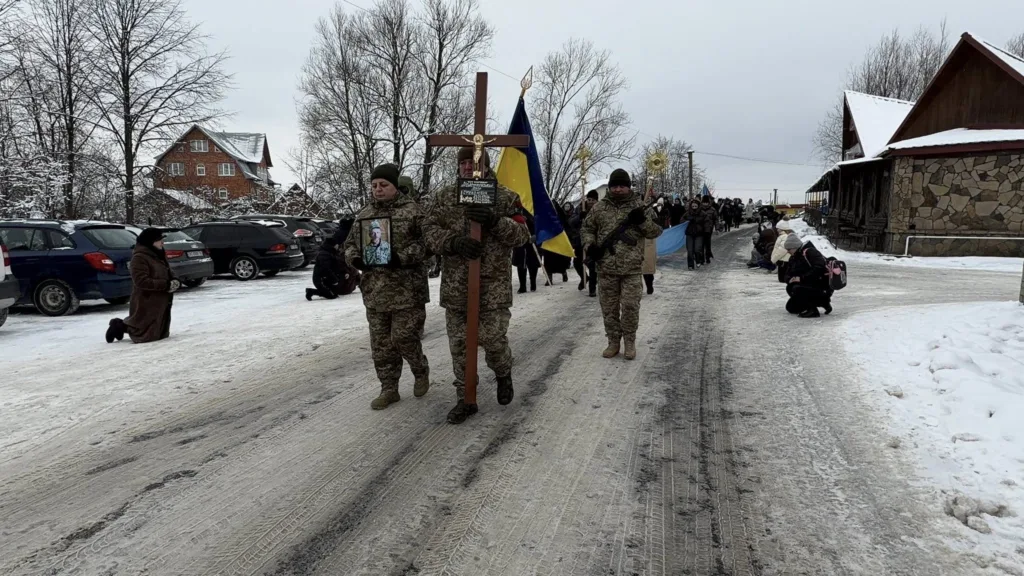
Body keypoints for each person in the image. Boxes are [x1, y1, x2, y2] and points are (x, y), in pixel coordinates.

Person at [423, 147, 529, 424]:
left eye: (476, 162)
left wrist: (495, 221)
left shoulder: (505, 196)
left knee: (493, 341)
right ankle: (466, 398)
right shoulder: (445, 197)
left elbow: (522, 235)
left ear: (486, 165)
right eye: (465, 163)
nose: (470, 167)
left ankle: (503, 372)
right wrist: (453, 242)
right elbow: (428, 231)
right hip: (457, 287)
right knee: (460, 346)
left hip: (492, 288)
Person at [344, 163, 431, 410]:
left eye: (384, 185)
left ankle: (420, 369)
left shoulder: (414, 211)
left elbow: (429, 245)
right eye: (374, 185)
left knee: (404, 337)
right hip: (375, 291)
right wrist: (355, 259)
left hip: (407, 290)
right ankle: (389, 388)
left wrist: (402, 257)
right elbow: (349, 244)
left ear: (395, 186)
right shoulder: (365, 214)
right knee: (381, 345)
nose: (378, 190)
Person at [581, 169, 663, 360]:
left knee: (630, 307)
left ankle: (629, 342)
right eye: (615, 186)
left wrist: (642, 221)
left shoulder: (640, 206)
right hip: (606, 268)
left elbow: (655, 231)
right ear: (610, 187)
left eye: (622, 186)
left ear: (628, 187)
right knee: (609, 309)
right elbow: (587, 228)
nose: (618, 189)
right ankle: (613, 342)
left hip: (632, 269)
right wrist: (590, 245)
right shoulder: (599, 208)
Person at [105, 228, 179, 344]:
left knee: (159, 334)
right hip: (146, 298)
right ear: (151, 241)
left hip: (161, 298)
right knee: (144, 334)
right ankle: (118, 325)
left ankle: (123, 326)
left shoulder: (158, 253)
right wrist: (165, 284)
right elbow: (140, 281)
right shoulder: (139, 257)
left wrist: (174, 280)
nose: (162, 243)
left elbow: (167, 270)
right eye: (160, 240)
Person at [782, 233, 833, 318]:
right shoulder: (793, 257)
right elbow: (787, 274)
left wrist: (801, 278)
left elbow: (819, 269)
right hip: (807, 285)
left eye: (789, 249)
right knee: (791, 307)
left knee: (796, 288)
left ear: (795, 247)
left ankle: (813, 309)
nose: (787, 251)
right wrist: (789, 279)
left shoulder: (810, 252)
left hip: (821, 286)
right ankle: (823, 303)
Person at [571, 190, 600, 296]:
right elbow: (571, 222)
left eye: (593, 200)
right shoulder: (580, 208)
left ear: (597, 200)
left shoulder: (600, 209)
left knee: (592, 265)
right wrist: (579, 217)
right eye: (589, 199)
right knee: (577, 262)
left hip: (593, 242)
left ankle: (592, 288)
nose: (590, 202)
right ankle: (584, 278)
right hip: (580, 241)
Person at [512, 209, 541, 293]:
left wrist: (535, 235)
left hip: (532, 242)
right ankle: (522, 286)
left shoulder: (533, 210)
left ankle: (533, 283)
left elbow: (539, 224)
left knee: (533, 264)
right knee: (521, 263)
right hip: (520, 241)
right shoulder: (515, 211)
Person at [683, 198, 705, 270]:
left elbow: (707, 223)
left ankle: (698, 260)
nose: (694, 208)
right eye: (693, 206)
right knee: (690, 250)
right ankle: (690, 265)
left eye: (696, 206)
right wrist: (688, 219)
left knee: (697, 249)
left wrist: (706, 231)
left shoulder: (703, 214)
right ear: (691, 206)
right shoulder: (687, 213)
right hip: (689, 234)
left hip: (699, 234)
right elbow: (681, 221)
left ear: (698, 206)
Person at [700, 196, 718, 263]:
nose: (705, 204)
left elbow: (716, 219)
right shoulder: (699, 209)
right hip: (700, 229)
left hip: (708, 229)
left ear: (708, 202)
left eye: (706, 203)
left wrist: (717, 228)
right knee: (701, 244)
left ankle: (708, 257)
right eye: (704, 202)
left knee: (707, 244)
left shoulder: (712, 210)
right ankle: (701, 258)